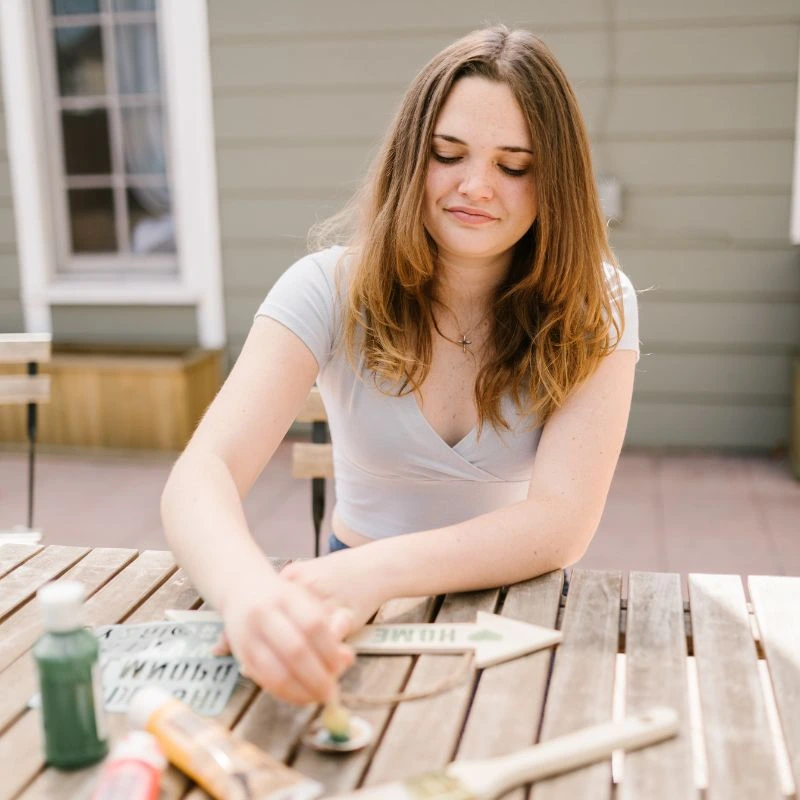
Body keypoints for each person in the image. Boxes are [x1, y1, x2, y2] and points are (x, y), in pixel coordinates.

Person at [160, 26, 639, 708]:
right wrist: (248, 595)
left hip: (519, 609)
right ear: (412, 156)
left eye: (514, 166)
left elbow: (561, 522)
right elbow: (201, 475)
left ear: (554, 181)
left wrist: (374, 571)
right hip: (353, 602)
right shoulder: (324, 286)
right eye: (449, 154)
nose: (476, 187)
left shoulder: (602, 301)